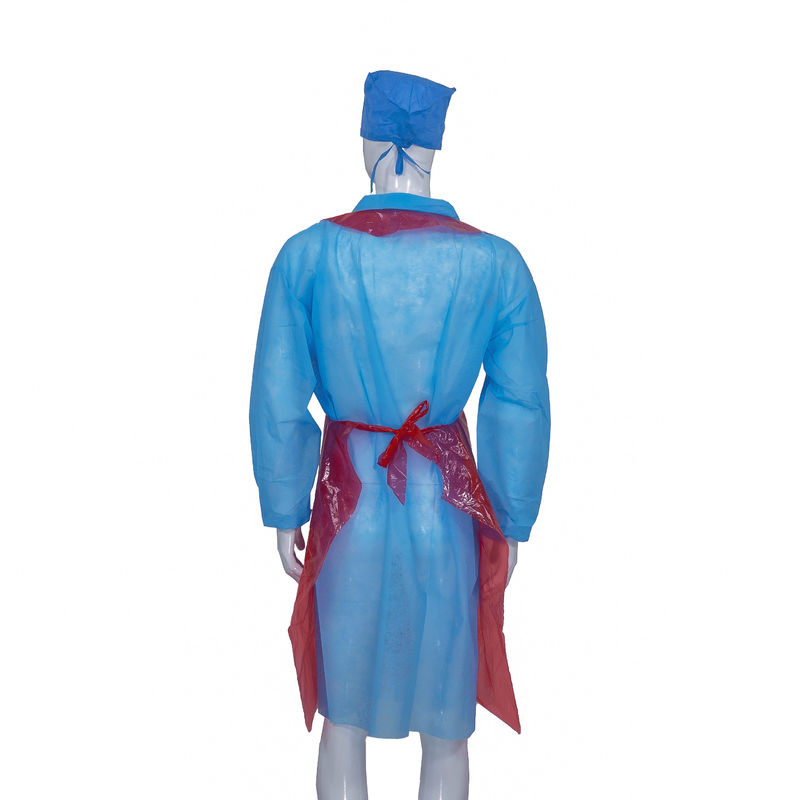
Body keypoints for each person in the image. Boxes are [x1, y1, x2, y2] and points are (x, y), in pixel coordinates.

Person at [249, 70, 550, 800]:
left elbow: (278, 391)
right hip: (443, 506)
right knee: (446, 727)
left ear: (368, 142)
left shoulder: (307, 256)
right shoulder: (496, 264)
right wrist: (509, 521)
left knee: (342, 720)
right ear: (434, 149)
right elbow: (519, 403)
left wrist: (285, 506)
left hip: (348, 504)